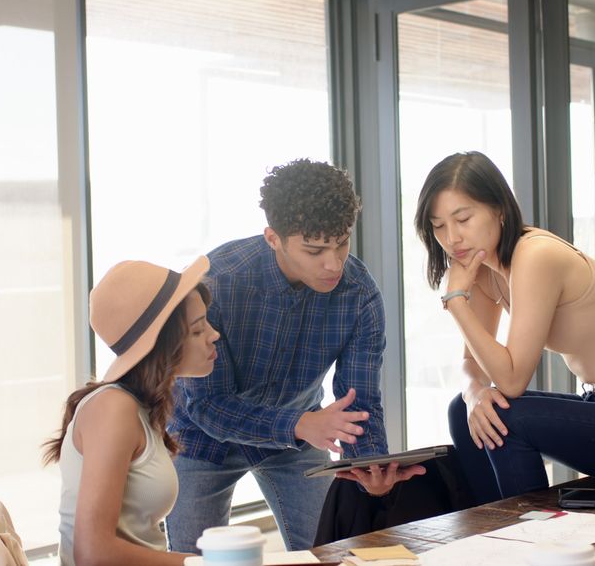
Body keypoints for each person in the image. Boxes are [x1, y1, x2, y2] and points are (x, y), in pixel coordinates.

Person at [413, 151, 595, 504]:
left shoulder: (536, 255)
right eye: (439, 225)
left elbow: (512, 380)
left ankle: (537, 535)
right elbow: (471, 364)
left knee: (507, 415)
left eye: (463, 219)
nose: (452, 238)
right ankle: (493, 531)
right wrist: (474, 392)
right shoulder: (485, 270)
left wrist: (455, 300)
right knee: (464, 410)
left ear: (499, 209)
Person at [167, 158, 424, 553]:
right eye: (315, 250)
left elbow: (360, 401)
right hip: (204, 438)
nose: (333, 263)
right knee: (196, 560)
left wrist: (369, 466)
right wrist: (300, 424)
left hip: (298, 436)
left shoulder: (359, 294)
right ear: (273, 238)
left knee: (335, 552)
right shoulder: (216, 282)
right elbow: (205, 405)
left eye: (342, 243)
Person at [43, 257, 219, 566]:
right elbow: (92, 554)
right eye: (196, 330)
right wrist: (206, 564)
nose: (214, 334)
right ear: (163, 343)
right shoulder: (114, 409)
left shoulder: (140, 406)